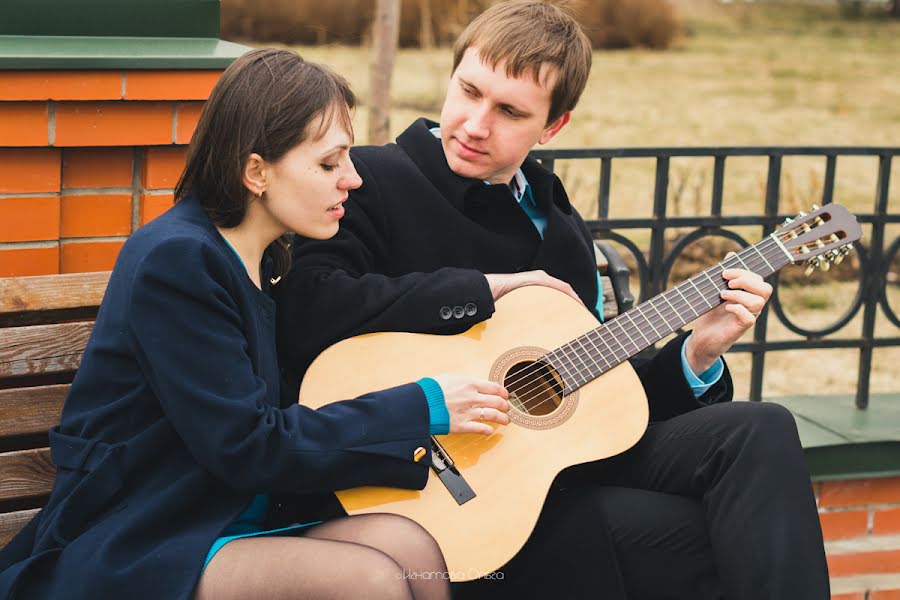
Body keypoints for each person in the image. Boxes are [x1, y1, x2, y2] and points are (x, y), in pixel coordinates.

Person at [274, 2, 831, 598]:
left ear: (553, 127)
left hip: (549, 471)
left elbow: (593, 388)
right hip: (427, 486)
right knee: (712, 541)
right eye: (469, 91)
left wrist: (696, 353)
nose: (475, 124)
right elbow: (307, 306)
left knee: (760, 432)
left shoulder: (559, 227)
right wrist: (481, 289)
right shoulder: (369, 181)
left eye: (509, 111)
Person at [0, 48, 513, 600]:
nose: (354, 179)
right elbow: (247, 444)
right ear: (256, 171)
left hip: (224, 513)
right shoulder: (177, 261)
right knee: (369, 579)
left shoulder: (266, 258)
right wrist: (423, 406)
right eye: (329, 163)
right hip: (142, 534)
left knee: (411, 548)